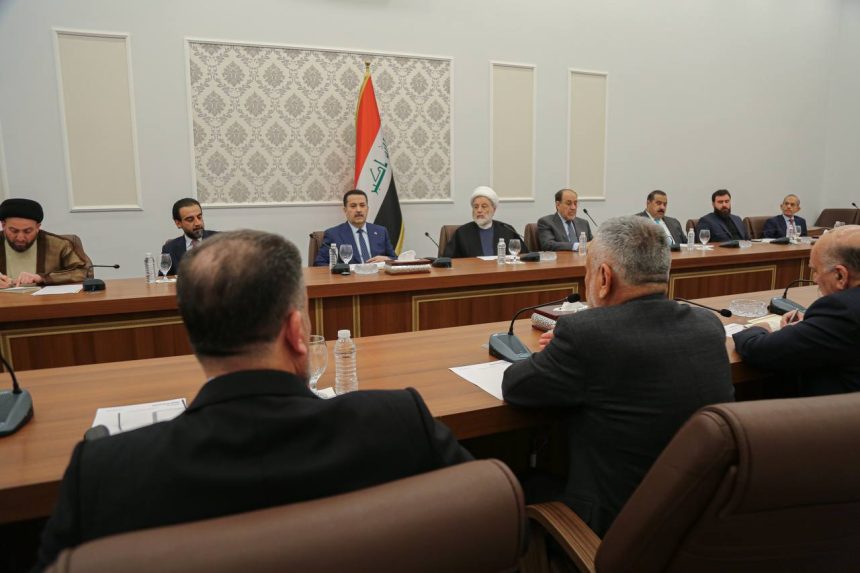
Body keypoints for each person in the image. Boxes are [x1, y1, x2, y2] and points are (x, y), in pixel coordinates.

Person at [33, 230, 472, 571]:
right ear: (296, 333)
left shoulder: (105, 471)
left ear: (193, 335)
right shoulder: (398, 420)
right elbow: (487, 514)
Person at [501, 216, 734, 536]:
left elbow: (516, 386)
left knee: (518, 484)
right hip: (700, 524)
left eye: (587, 272)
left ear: (604, 277)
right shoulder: (707, 326)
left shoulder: (585, 334)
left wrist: (559, 352)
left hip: (615, 533)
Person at [733, 225, 860, 396]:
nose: (814, 279)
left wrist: (758, 328)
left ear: (840, 276)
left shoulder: (841, 311)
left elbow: (757, 351)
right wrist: (814, 324)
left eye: (815, 270)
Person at [0, 198, 88, 287]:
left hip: (47, 296)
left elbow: (82, 272)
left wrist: (42, 278)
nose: (20, 238)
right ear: (3, 225)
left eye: (27, 231)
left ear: (37, 227)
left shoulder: (59, 245)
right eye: (14, 231)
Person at [313, 189, 396, 266]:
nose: (358, 210)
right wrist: (342, 270)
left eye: (362, 205)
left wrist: (387, 259)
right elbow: (320, 263)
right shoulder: (333, 234)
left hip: (378, 275)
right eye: (353, 206)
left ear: (367, 209)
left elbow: (395, 258)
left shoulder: (381, 231)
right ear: (345, 210)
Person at [443, 186, 528, 258]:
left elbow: (525, 256)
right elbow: (447, 261)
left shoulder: (507, 230)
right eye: (476, 207)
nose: (479, 210)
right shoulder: (462, 233)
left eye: (484, 206)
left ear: (494, 209)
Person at [161, 198, 218, 276]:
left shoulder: (220, 241)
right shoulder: (169, 248)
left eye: (199, 217)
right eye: (190, 219)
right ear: (178, 223)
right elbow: (163, 279)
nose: (197, 223)